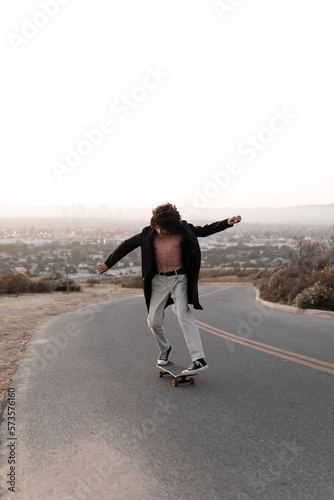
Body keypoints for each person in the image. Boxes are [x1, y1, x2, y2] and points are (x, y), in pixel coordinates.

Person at [97, 203, 241, 374]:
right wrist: (108, 264)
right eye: (157, 227)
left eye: (163, 229)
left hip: (179, 279)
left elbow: (204, 230)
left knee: (183, 315)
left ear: (172, 225)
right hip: (158, 281)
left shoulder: (183, 230)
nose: (160, 232)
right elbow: (126, 245)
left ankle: (198, 359)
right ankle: (165, 349)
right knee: (153, 322)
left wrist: (227, 222)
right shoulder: (148, 233)